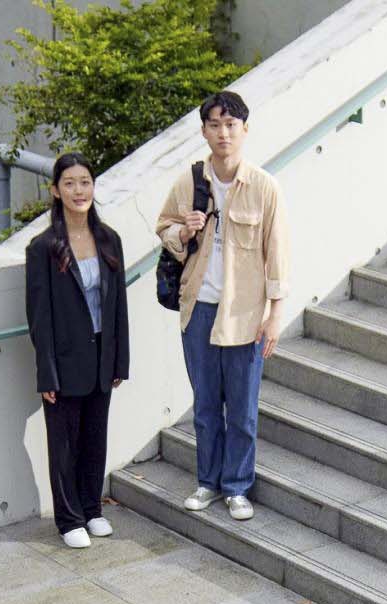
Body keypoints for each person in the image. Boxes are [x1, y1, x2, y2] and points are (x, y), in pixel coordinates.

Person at [153, 90, 287, 525]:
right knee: (206, 404)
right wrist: (184, 232)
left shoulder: (264, 187)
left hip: (245, 315)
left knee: (243, 409)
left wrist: (275, 315)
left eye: (231, 125)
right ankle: (207, 482)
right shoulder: (190, 182)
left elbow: (277, 254)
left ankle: (237, 487)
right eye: (215, 125)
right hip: (198, 310)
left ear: (245, 130)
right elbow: (164, 228)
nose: (223, 133)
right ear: (204, 131)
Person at [26, 152, 129, 549]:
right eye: (69, 183)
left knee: (95, 438)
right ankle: (69, 519)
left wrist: (120, 360)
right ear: (55, 190)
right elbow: (39, 317)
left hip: (102, 355)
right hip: (64, 360)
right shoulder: (43, 247)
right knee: (64, 444)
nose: (78, 190)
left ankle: (92, 509)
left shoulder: (109, 239)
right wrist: (47, 373)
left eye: (85, 182)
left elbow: (118, 306)